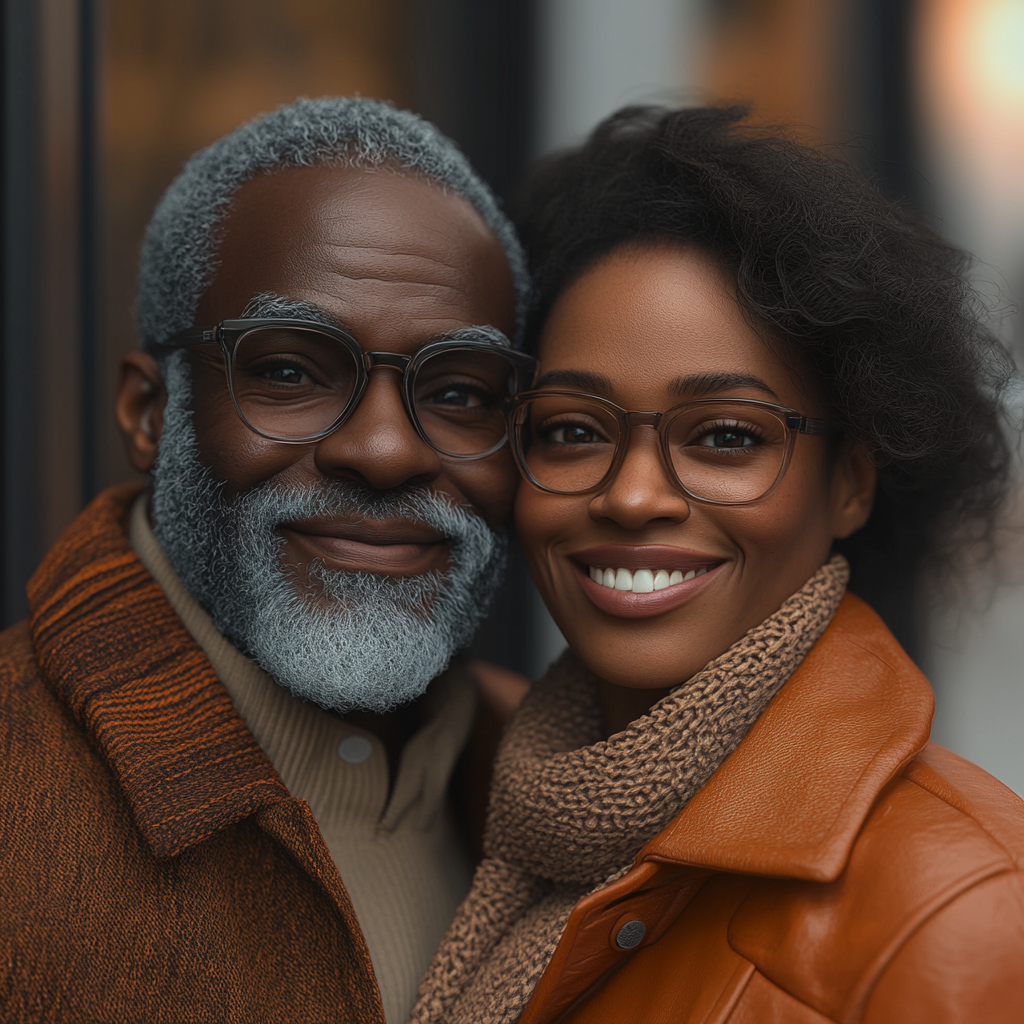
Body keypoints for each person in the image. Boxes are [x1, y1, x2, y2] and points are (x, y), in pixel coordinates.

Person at [412, 106, 1024, 1024]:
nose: (633, 496)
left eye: (727, 437)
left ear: (852, 481)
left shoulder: (964, 907)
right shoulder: (492, 801)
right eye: (573, 430)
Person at [0, 97, 536, 1024]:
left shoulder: (548, 787)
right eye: (289, 370)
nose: (385, 452)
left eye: (457, 392)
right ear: (148, 412)